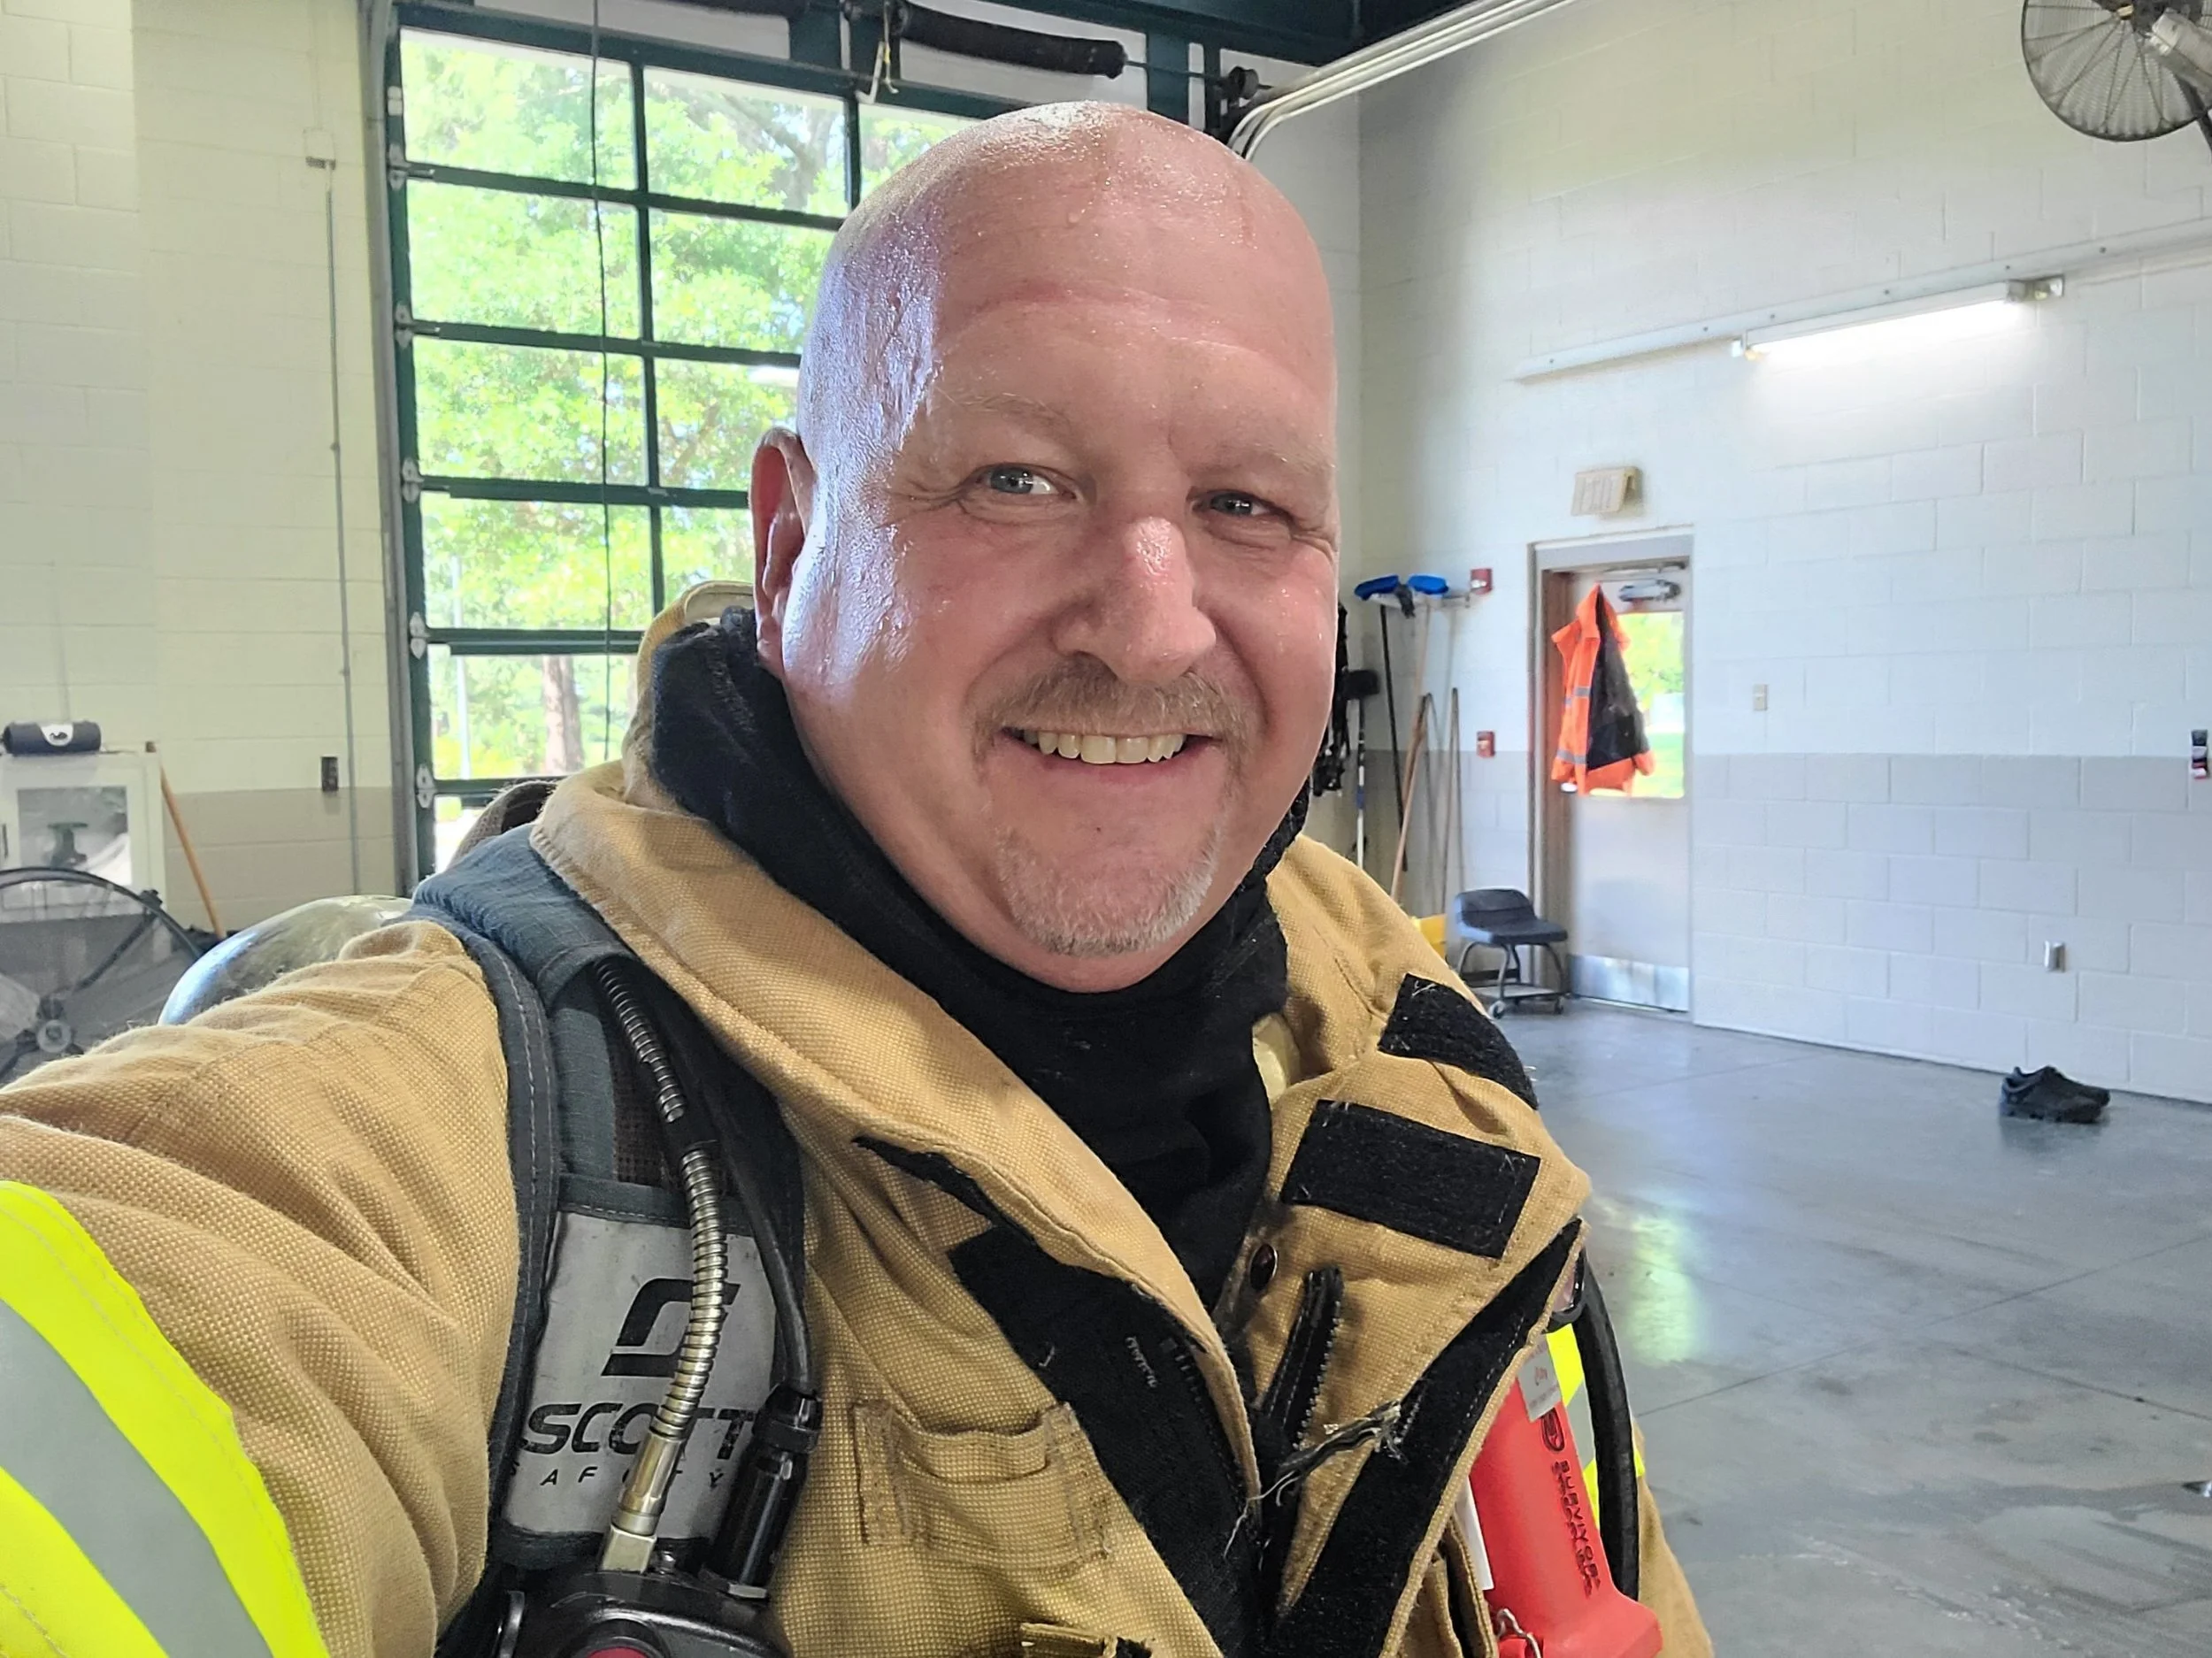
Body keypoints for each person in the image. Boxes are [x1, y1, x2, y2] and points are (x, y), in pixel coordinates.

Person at [0, 104, 1709, 1658]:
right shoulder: (466, 1123)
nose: (1152, 617)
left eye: (1246, 503)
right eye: (1015, 480)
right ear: (793, 541)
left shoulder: (1420, 1064)